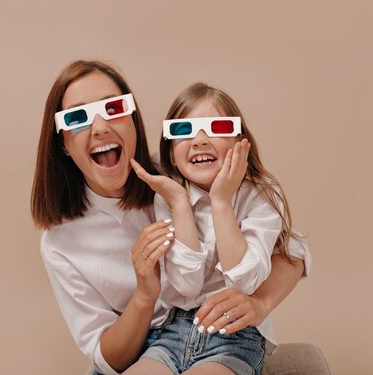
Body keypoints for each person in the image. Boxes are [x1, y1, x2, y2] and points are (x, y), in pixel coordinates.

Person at [31, 60, 311, 375]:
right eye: (77, 118)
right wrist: (144, 295)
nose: (100, 127)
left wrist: (260, 303)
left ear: (132, 120)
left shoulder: (181, 177)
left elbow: (292, 251)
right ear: (63, 144)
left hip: (225, 338)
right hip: (154, 347)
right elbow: (107, 358)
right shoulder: (60, 242)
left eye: (113, 108)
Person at [128, 83, 303, 375]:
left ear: (240, 143)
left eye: (216, 127)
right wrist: (181, 204)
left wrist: (221, 201)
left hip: (234, 336)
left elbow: (243, 283)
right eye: (183, 130)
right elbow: (185, 285)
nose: (199, 140)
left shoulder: (261, 194)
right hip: (172, 333)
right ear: (171, 155)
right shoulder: (169, 197)